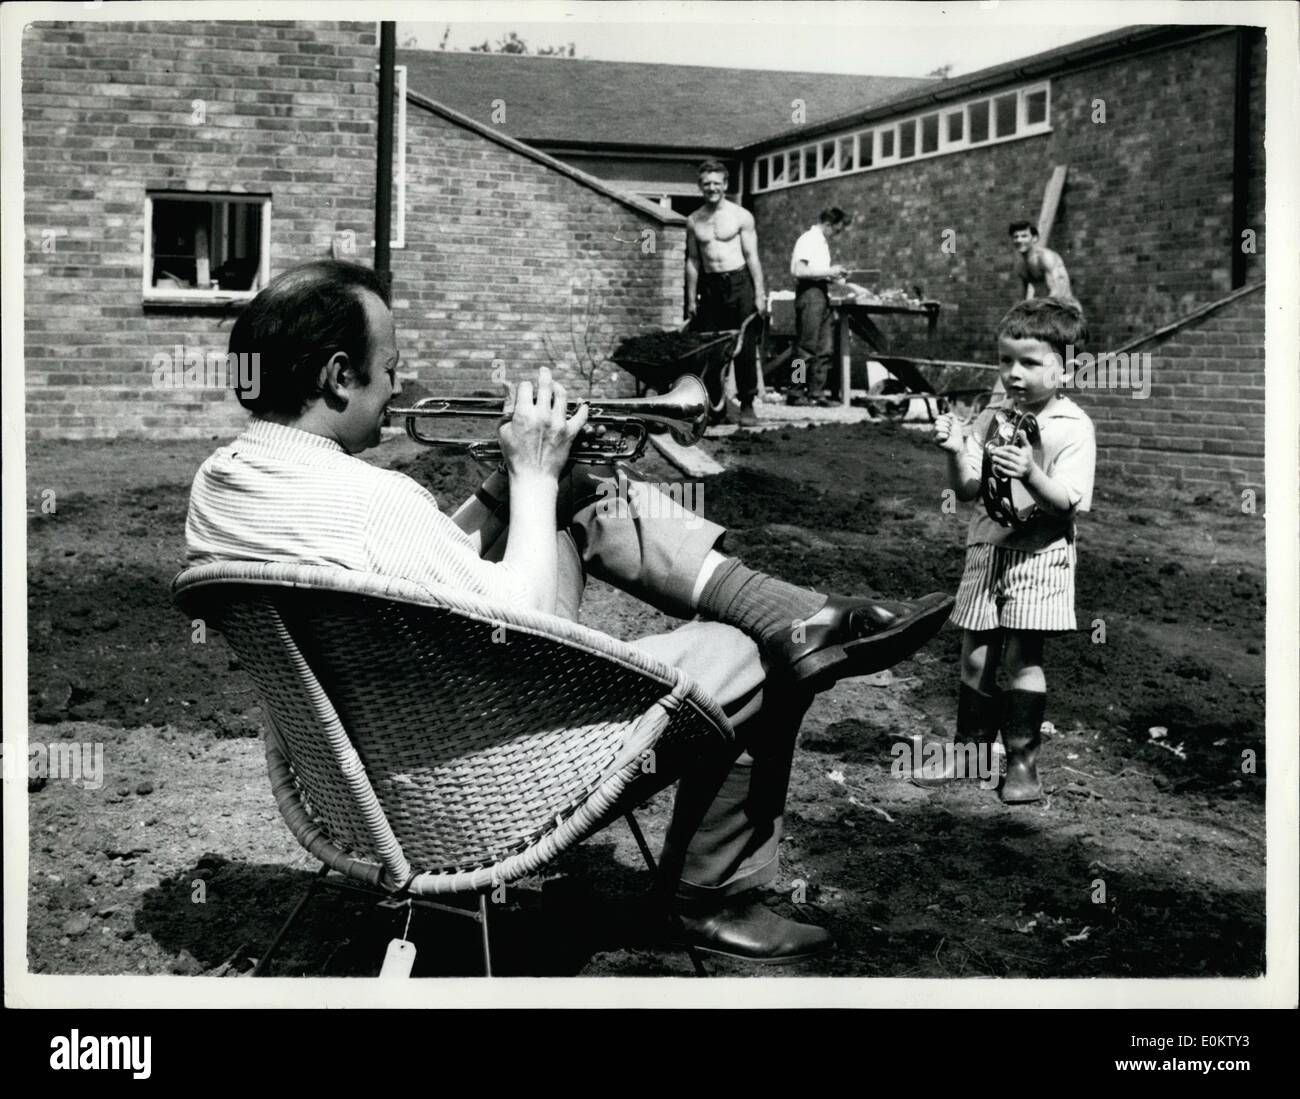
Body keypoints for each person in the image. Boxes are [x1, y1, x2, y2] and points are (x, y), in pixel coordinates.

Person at [185, 260, 955, 963]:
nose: (399, 386)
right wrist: (530, 470)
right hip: (488, 787)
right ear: (338, 373)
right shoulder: (376, 499)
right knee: (753, 651)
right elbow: (512, 612)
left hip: (368, 779)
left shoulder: (219, 487)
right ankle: (715, 896)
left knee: (581, 498)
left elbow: (399, 581)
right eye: (390, 369)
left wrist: (513, 490)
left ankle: (803, 614)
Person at [927, 298, 1096, 803]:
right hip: (987, 548)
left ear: (1067, 367)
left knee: (1024, 657)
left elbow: (1066, 503)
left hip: (1039, 555)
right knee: (975, 654)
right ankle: (969, 752)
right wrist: (957, 452)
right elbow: (968, 490)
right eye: (1005, 361)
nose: (1013, 374)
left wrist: (1030, 472)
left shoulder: (1072, 426)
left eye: (1029, 362)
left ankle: (1022, 764)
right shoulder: (993, 416)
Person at [685, 160, 765, 428]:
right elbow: (693, 261)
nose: (712, 188)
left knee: (743, 347)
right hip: (711, 288)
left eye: (716, 183)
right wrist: (690, 299)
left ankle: (748, 405)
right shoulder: (694, 220)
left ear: (726, 185)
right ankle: (716, 408)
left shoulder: (741, 216)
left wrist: (760, 294)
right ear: (700, 186)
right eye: (706, 184)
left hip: (740, 283)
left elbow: (752, 255)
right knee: (712, 350)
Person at [789, 208, 853, 406]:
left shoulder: (821, 243)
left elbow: (822, 273)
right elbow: (799, 270)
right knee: (805, 347)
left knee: (824, 347)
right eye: (837, 230)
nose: (837, 235)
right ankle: (795, 391)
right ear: (828, 224)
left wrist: (851, 284)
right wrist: (829, 271)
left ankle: (817, 392)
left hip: (821, 293)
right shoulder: (808, 239)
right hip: (809, 294)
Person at [1009, 220, 1075, 303]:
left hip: (1063, 306)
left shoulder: (1044, 257)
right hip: (1042, 305)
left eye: (1024, 236)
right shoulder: (1020, 265)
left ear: (1034, 238)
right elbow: (1021, 299)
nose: (1019, 240)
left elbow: (1057, 292)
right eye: (1016, 237)